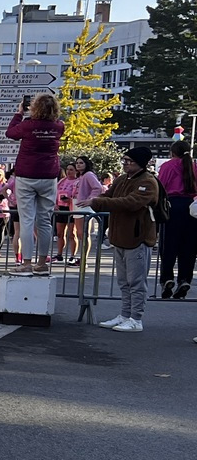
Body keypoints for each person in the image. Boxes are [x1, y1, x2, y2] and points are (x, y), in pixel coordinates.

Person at [91, 145, 161, 332]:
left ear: (141, 163)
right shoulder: (122, 179)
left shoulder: (148, 182)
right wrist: (96, 200)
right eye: (125, 160)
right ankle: (125, 314)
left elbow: (130, 202)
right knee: (123, 282)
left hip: (138, 238)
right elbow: (108, 196)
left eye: (129, 161)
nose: (125, 164)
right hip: (120, 237)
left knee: (136, 282)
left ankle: (136, 319)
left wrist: (97, 201)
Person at [6, 92, 65, 273]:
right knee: (45, 221)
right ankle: (42, 263)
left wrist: (19, 114)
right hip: (48, 176)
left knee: (27, 220)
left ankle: (26, 263)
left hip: (27, 174)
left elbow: (11, 133)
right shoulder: (59, 126)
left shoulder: (28, 125)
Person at [156, 139, 194, 299]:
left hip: (172, 206)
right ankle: (184, 279)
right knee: (189, 247)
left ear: (172, 152)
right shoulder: (193, 166)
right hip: (191, 207)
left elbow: (160, 187)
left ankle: (167, 278)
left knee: (168, 245)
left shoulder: (168, 166)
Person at [54, 160, 79, 263]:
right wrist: (55, 204)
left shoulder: (78, 181)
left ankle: (73, 255)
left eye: (71, 170)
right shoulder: (62, 181)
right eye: (67, 169)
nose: (69, 172)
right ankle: (59, 254)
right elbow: (55, 193)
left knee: (72, 233)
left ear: (76, 171)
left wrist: (70, 200)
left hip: (72, 209)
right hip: (61, 208)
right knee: (60, 233)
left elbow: (79, 195)